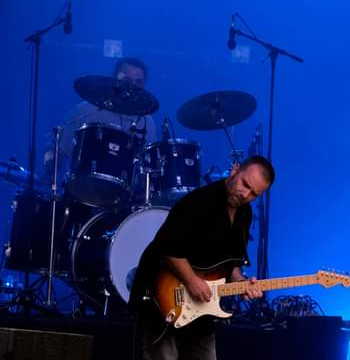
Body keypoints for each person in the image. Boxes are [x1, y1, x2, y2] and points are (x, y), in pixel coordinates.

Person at [130, 155, 274, 360]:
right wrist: (191, 280)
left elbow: (231, 262)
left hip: (202, 307)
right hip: (162, 296)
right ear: (235, 171)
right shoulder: (198, 202)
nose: (245, 194)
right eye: (245, 184)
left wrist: (241, 282)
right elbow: (167, 247)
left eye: (253, 193)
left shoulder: (245, 214)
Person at [49, 56, 159, 170]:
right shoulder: (85, 111)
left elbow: (148, 164)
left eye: (138, 82)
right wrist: (50, 161)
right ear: (115, 79)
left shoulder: (146, 121)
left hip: (125, 187)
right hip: (82, 185)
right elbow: (59, 150)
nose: (132, 86)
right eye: (127, 80)